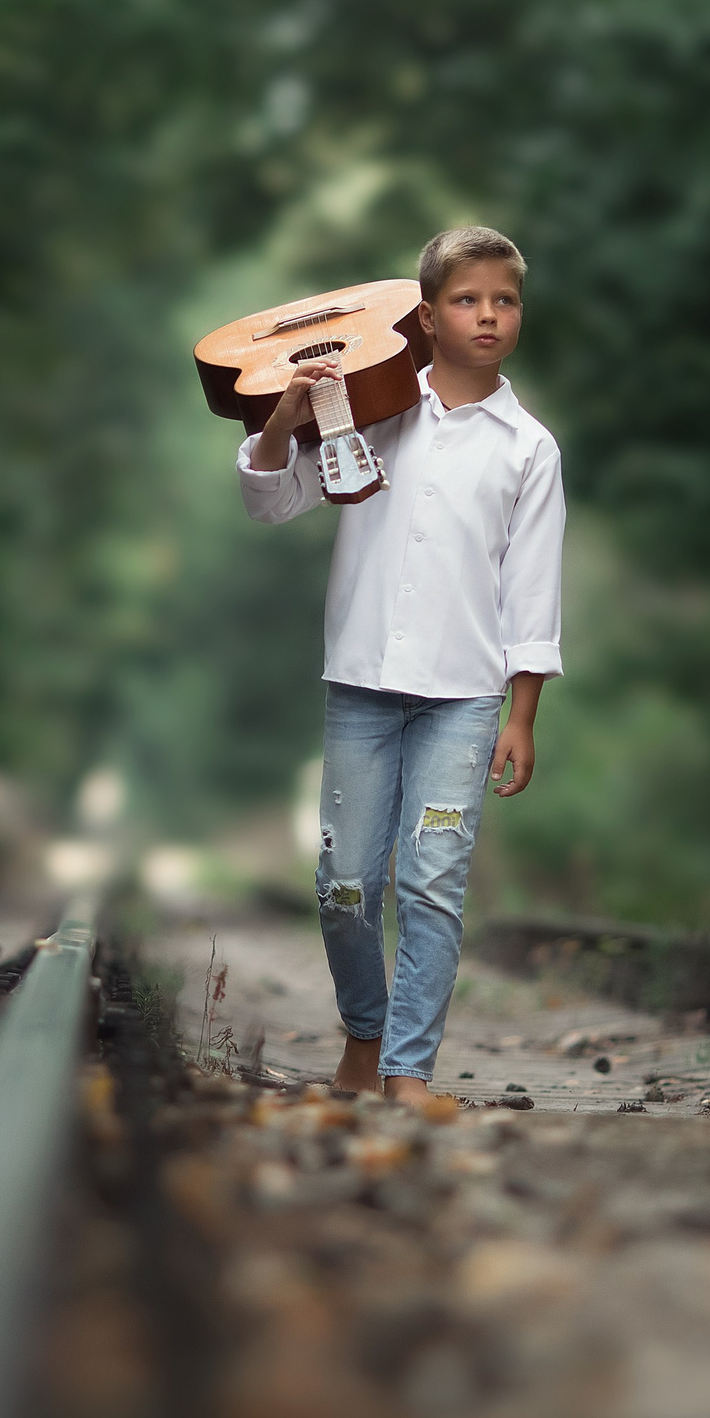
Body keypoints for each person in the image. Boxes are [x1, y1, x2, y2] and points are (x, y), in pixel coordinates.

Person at [236, 226, 566, 1103]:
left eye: (504, 300)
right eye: (467, 299)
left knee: (432, 882)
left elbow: (532, 596)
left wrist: (522, 716)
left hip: (465, 698)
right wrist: (283, 421)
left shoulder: (529, 448)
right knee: (344, 884)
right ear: (424, 316)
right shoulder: (372, 408)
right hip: (361, 686)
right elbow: (272, 500)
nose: (488, 315)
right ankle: (364, 1030)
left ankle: (408, 1069)